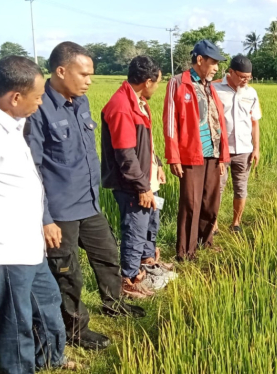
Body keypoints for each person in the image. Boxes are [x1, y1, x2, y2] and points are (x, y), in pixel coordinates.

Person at [25, 42, 145, 351]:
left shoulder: (82, 102)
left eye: (91, 74)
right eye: (84, 73)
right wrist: (44, 218)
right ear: (61, 71)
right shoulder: (38, 109)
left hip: (88, 202)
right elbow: (31, 168)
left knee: (107, 255)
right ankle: (76, 330)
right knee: (68, 275)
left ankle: (114, 304)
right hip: (60, 211)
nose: (90, 80)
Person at [0, 56, 78, 373]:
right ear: (15, 97)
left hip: (28, 244)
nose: (40, 104)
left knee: (47, 302)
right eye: (37, 97)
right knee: (15, 324)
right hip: (5, 249)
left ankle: (50, 360)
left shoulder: (11, 124)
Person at [101, 56, 177, 298]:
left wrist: (158, 165)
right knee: (135, 229)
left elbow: (146, 144)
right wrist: (142, 187)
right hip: (133, 184)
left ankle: (146, 263)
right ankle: (129, 279)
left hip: (146, 178)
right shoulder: (122, 107)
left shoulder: (138, 102)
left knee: (149, 224)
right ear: (147, 81)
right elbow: (126, 155)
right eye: (158, 82)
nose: (158, 86)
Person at [163, 40, 230, 261]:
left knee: (211, 201)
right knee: (191, 203)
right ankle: (185, 252)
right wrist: (174, 157)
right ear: (200, 60)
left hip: (213, 152)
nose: (216, 68)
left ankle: (205, 241)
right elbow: (170, 122)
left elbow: (219, 121)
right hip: (191, 154)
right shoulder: (178, 83)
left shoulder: (209, 86)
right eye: (213, 63)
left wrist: (222, 156)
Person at [213, 55, 263, 233]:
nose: (245, 81)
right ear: (230, 72)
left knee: (241, 188)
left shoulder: (251, 93)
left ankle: (236, 223)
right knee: (216, 189)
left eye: (248, 77)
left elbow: (254, 122)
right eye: (242, 76)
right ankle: (214, 224)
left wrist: (256, 148)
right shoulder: (215, 89)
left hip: (244, 150)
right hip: (219, 151)